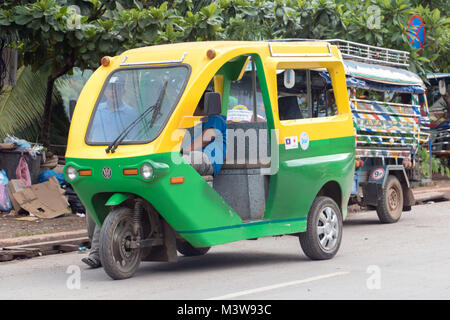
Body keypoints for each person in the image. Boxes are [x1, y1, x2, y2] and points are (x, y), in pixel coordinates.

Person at [182, 93, 227, 177]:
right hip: (197, 155)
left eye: (193, 105)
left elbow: (205, 139)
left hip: (209, 158)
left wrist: (182, 152)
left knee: (182, 161)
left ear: (202, 106)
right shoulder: (198, 123)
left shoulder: (216, 119)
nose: (189, 109)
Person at [88, 75, 139, 143]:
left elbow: (135, 141)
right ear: (105, 91)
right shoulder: (94, 111)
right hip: (96, 152)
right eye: (109, 88)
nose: (113, 91)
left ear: (123, 91)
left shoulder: (132, 114)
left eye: (117, 88)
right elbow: (88, 136)